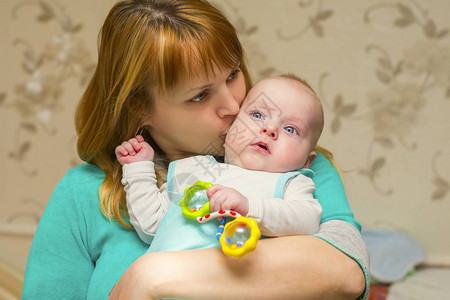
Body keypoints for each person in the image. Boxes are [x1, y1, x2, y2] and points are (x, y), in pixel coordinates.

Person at [22, 0, 370, 299]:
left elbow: (347, 272)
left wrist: (152, 276)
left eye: (233, 73)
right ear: (140, 108)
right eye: (200, 95)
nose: (234, 105)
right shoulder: (82, 195)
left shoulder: (289, 163)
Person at [116, 75, 324, 253]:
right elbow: (150, 226)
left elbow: (308, 221)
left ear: (307, 160)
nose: (269, 129)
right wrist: (138, 169)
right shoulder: (192, 168)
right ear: (230, 129)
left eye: (290, 129)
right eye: (257, 115)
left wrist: (249, 206)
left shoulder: (290, 183)